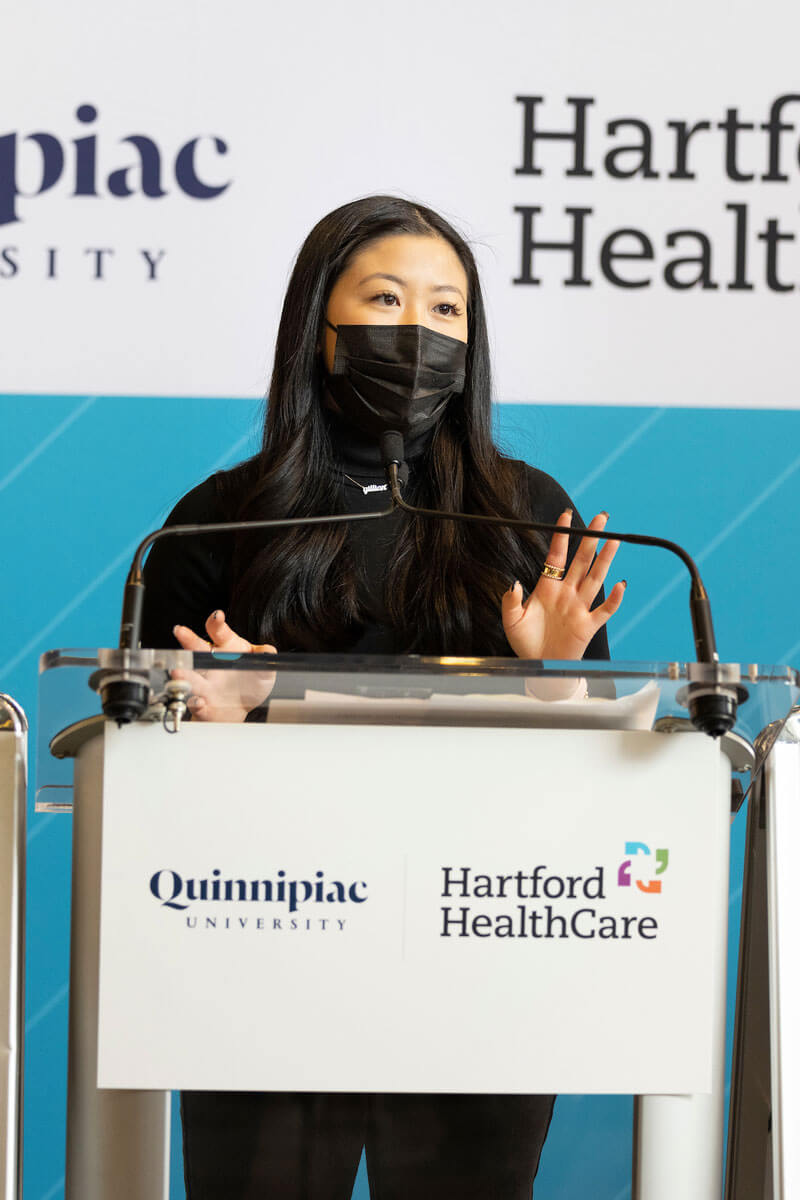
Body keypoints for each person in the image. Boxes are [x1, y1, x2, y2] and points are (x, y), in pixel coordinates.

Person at [141, 195, 625, 1198]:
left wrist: (554, 676)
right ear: (323, 332)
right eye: (388, 300)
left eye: (447, 311)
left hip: (479, 954)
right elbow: (139, 759)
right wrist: (207, 726)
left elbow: (591, 775)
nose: (418, 333)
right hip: (264, 953)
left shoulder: (527, 514)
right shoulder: (217, 522)